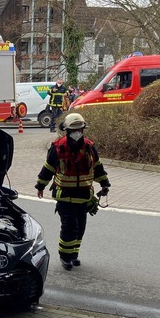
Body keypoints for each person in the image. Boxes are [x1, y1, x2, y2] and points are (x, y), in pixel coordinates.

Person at [35, 113, 111, 270]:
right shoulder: (58, 148)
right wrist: (40, 185)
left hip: (83, 197)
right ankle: (65, 257)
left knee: (80, 228)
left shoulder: (89, 147)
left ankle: (74, 255)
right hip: (65, 197)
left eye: (79, 129)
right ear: (67, 131)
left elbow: (97, 167)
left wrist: (104, 183)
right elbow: (48, 168)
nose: (77, 133)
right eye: (73, 130)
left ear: (83, 129)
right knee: (70, 228)